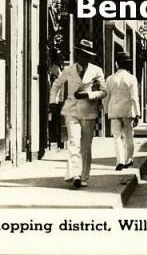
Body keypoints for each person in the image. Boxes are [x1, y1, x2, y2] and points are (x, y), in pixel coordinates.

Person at [49, 39, 107, 188]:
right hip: (72, 110)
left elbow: (104, 92)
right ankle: (75, 175)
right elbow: (56, 85)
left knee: (85, 145)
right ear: (77, 55)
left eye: (88, 55)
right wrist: (53, 102)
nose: (84, 57)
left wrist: (89, 95)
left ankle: (84, 176)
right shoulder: (69, 70)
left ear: (90, 57)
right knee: (74, 142)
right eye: (82, 54)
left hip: (89, 111)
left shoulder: (97, 71)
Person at [104, 51, 141, 171]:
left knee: (116, 137)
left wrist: (106, 111)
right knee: (129, 136)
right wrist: (138, 113)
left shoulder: (110, 79)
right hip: (127, 111)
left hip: (114, 111)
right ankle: (128, 159)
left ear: (116, 64)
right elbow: (134, 97)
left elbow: (106, 97)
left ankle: (119, 161)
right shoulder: (131, 78)